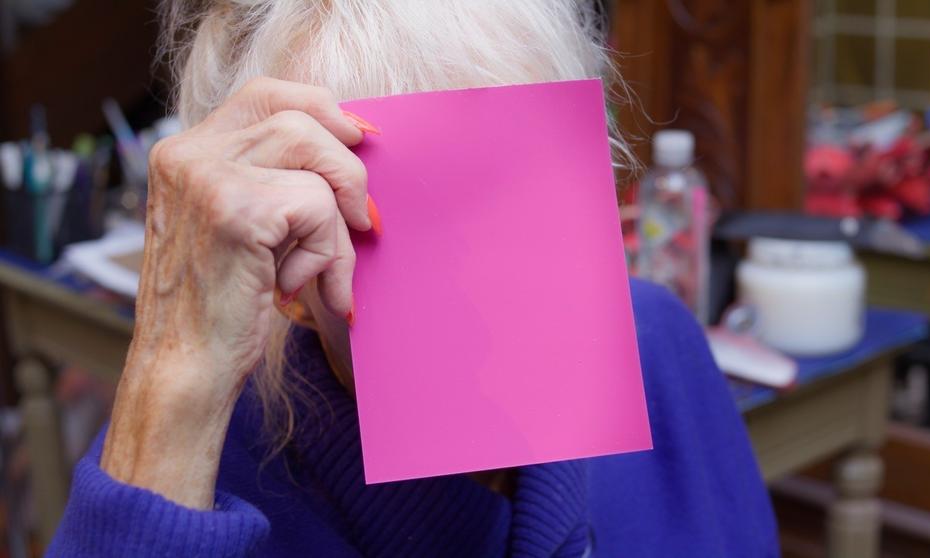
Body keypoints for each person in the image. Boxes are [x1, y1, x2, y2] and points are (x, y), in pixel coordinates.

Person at [49, 1, 778, 556]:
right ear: (291, 280)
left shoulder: (657, 344)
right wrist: (173, 377)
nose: (498, 275)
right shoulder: (181, 468)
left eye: (527, 182)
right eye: (421, 218)